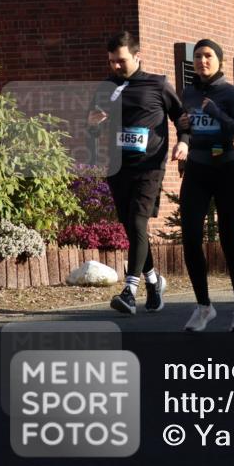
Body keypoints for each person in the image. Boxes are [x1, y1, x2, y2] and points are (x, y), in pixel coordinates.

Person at [88, 32, 189, 315]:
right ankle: (154, 283)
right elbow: (92, 126)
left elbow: (181, 116)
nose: (116, 67)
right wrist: (94, 124)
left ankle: (130, 291)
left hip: (149, 166)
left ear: (137, 56)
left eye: (121, 61)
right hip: (118, 168)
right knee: (133, 228)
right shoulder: (105, 87)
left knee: (137, 220)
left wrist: (184, 141)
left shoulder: (157, 84)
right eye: (111, 62)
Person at [177, 39, 234, 331]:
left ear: (219, 60)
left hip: (227, 169)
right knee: (191, 239)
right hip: (196, 169)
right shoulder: (189, 93)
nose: (202, 61)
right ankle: (203, 306)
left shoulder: (230, 93)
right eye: (197, 56)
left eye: (208, 56)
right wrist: (183, 134)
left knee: (230, 241)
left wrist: (219, 115)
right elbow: (186, 128)